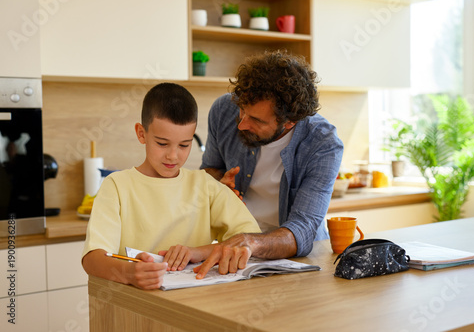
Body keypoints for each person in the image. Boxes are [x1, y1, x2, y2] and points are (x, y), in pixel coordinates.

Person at [81, 83, 261, 289]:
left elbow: (250, 239)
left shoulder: (205, 185)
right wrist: (130, 273)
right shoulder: (117, 186)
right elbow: (92, 259)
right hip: (134, 308)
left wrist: (197, 252)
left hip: (193, 303)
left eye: (184, 145)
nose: (173, 156)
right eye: (162, 143)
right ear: (141, 133)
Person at [195, 50, 343, 278]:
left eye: (256, 120)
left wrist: (250, 242)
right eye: (242, 109)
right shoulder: (223, 110)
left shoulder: (323, 144)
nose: (242, 124)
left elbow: (302, 229)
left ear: (290, 121)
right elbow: (210, 169)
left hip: (298, 263)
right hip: (236, 249)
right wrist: (216, 186)